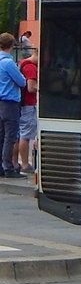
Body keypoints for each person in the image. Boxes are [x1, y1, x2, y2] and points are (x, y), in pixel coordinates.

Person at [0, 32, 28, 178]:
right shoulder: (8, 63)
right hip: (10, 103)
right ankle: (8, 168)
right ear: (11, 46)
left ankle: (1, 167)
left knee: (1, 135)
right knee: (10, 137)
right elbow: (22, 82)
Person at [15, 46, 38, 173]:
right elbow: (31, 87)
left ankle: (16, 162)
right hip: (28, 104)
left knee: (19, 134)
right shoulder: (31, 68)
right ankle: (25, 164)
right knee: (25, 135)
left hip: (21, 104)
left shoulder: (22, 63)